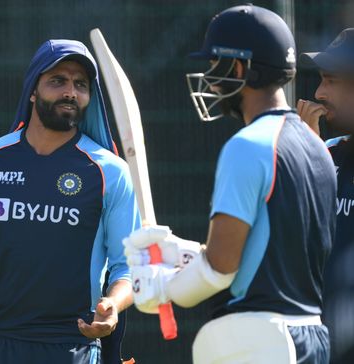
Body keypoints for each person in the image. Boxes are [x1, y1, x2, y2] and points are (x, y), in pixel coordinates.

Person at [123, 5, 336, 364]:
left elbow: (222, 266)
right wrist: (181, 252)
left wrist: (161, 288)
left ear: (238, 68)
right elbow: (266, 256)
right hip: (310, 335)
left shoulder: (247, 146)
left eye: (214, 65)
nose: (209, 77)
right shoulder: (318, 147)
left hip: (260, 341)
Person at [0, 39, 140, 364]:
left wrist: (113, 306)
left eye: (81, 84)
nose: (70, 92)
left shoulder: (110, 172)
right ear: (33, 90)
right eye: (57, 81)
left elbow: (128, 265)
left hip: (72, 347)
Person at [297, 28, 354, 364]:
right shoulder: (327, 153)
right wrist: (310, 156)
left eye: (331, 80)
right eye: (320, 80)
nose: (319, 93)